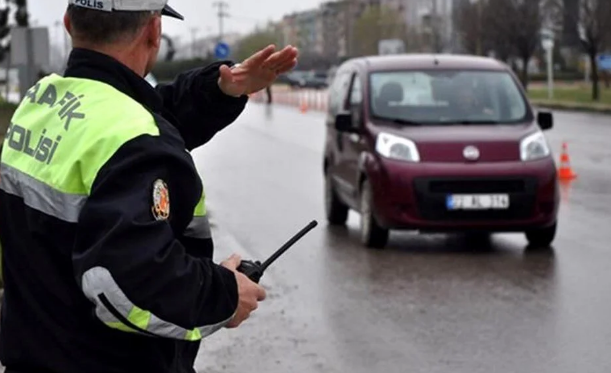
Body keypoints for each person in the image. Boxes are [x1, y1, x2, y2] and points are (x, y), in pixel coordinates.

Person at [0, 1, 298, 373]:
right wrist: (223, 294)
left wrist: (221, 89)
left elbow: (140, 119)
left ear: (68, 23)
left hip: (34, 353)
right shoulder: (133, 138)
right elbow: (131, 279)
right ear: (154, 31)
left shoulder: (42, 101)